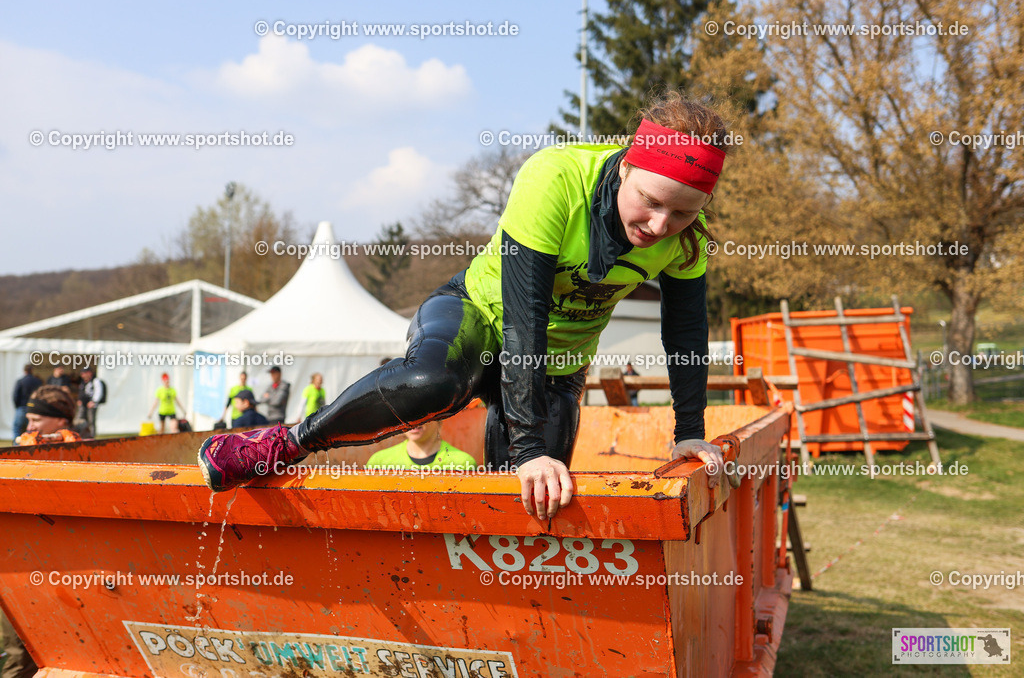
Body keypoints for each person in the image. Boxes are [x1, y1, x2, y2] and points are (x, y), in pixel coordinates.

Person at [199, 92, 728, 518]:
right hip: (479, 315)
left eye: (681, 213)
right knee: (436, 386)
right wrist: (527, 449)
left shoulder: (686, 241)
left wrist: (688, 433)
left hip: (557, 363)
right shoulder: (557, 180)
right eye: (651, 201)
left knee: (538, 504)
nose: (659, 225)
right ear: (628, 165)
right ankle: (284, 443)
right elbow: (525, 318)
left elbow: (684, 336)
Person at [4, 385, 81, 678]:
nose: (30, 426)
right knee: (16, 648)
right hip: (16, 565)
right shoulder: (21, 450)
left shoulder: (84, 452)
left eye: (36, 420)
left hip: (59, 570)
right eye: (29, 419)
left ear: (61, 421)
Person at [365, 420, 476, 470]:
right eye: (408, 416)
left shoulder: (462, 463)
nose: (413, 422)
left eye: (421, 415)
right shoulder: (379, 462)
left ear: (439, 420)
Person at [11, 364, 43, 440]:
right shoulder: (38, 381)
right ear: (32, 370)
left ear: (24, 371)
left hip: (22, 407)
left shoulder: (20, 381)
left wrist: (18, 406)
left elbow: (15, 396)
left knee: (17, 429)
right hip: (34, 409)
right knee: (31, 431)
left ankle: (16, 448)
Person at [77, 367, 105, 439]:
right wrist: (80, 400)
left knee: (91, 421)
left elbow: (98, 392)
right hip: (84, 404)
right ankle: (80, 435)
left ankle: (92, 436)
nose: (83, 375)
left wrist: (94, 401)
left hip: (91, 404)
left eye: (85, 373)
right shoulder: (83, 382)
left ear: (89, 373)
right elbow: (81, 392)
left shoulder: (95, 381)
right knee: (80, 420)